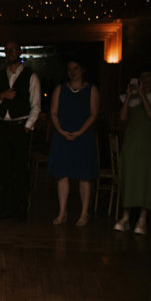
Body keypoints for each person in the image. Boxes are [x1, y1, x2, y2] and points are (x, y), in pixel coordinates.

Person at [0, 42, 41, 221]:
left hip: (20, 127)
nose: (10, 53)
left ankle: (20, 209)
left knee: (20, 169)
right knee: (4, 168)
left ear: (19, 51)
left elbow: (36, 105)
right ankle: (6, 209)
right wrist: (2, 96)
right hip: (2, 126)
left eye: (13, 50)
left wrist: (27, 126)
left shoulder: (30, 76)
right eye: (7, 50)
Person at [47, 60, 100, 226]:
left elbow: (93, 113)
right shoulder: (60, 89)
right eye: (69, 69)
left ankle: (84, 213)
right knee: (62, 174)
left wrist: (80, 131)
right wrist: (61, 130)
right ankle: (62, 211)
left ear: (82, 70)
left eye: (76, 68)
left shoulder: (91, 89)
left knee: (84, 175)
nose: (73, 72)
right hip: (63, 135)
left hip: (82, 135)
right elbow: (53, 112)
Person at [115, 70, 151, 235]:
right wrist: (129, 95)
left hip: (148, 141)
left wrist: (142, 94)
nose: (144, 79)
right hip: (132, 140)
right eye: (142, 76)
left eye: (148, 75)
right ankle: (126, 217)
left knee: (147, 177)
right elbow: (122, 118)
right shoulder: (128, 98)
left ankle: (142, 218)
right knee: (130, 175)